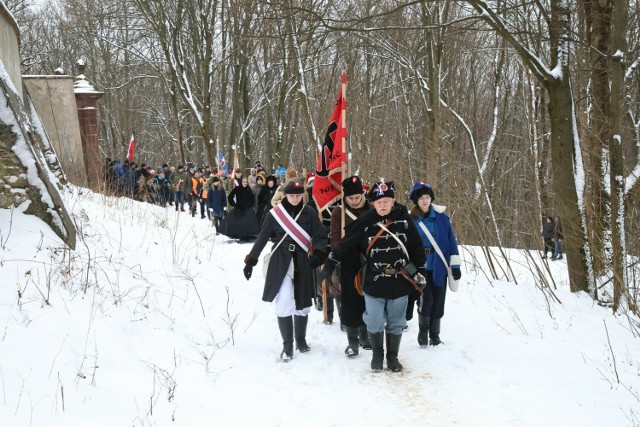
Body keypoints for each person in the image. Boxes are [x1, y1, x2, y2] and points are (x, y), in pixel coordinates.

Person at [319, 181, 426, 372]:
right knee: (374, 320)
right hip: (374, 281)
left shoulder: (404, 219)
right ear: (373, 204)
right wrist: (329, 264)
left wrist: (421, 273)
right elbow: (346, 244)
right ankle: (377, 354)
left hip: (400, 282)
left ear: (393, 201)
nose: (383, 205)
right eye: (379, 202)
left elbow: (417, 248)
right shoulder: (365, 222)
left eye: (386, 201)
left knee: (396, 322)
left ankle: (392, 357)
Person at [242, 178, 328, 360]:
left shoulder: (310, 213)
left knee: (303, 303)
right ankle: (287, 345)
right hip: (281, 261)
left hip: (303, 261)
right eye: (292, 195)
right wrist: (251, 260)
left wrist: (319, 254)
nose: (295, 198)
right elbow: (263, 238)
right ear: (285, 195)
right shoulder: (275, 214)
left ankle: (301, 340)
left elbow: (320, 236)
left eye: (298, 195)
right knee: (284, 301)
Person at [408, 181, 461, 347]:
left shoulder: (442, 219)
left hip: (439, 267)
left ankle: (435, 335)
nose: (425, 200)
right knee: (426, 300)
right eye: (422, 198)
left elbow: (451, 243)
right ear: (416, 201)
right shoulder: (410, 220)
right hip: (420, 267)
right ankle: (423, 332)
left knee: (438, 301)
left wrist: (456, 266)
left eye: (427, 197)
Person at [329, 176, 371, 356]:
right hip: (348, 259)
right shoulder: (339, 212)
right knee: (350, 300)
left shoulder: (371, 209)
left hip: (369, 259)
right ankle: (352, 341)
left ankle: (365, 335)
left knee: (368, 299)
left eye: (357, 197)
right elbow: (335, 238)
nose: (354, 201)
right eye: (350, 198)